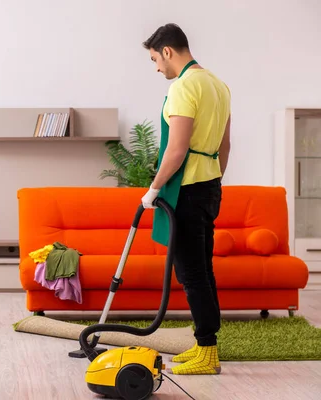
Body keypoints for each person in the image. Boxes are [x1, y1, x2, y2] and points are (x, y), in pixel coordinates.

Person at [140, 23, 231, 375]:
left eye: (154, 59)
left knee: (192, 275)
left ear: (167, 51)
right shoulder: (218, 85)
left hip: (186, 192)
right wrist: (214, 180)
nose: (157, 68)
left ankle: (208, 353)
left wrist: (153, 189)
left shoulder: (183, 87)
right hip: (210, 187)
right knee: (203, 272)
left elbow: (176, 150)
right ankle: (205, 345)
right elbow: (224, 146)